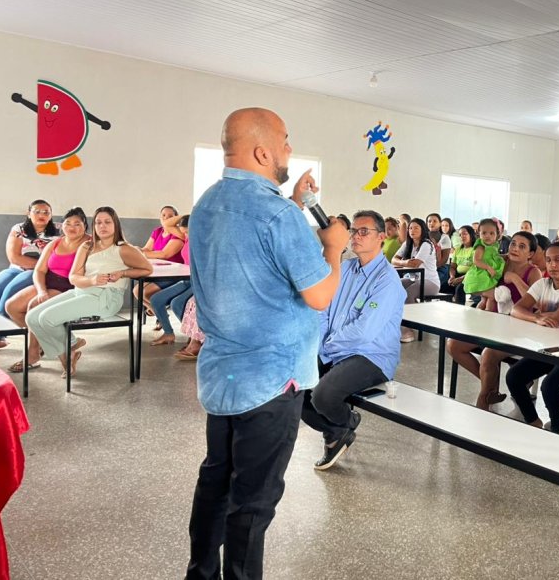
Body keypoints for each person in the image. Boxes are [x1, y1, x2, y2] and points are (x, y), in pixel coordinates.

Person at [185, 107, 347, 580]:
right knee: (254, 500)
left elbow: (255, 248)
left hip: (223, 376)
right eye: (285, 141)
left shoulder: (207, 205)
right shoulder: (278, 215)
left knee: (217, 477)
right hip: (273, 380)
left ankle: (200, 572)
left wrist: (295, 204)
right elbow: (319, 295)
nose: (290, 150)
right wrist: (333, 247)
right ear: (262, 151)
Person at [301, 210, 405, 470]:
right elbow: (323, 308)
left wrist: (327, 346)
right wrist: (321, 346)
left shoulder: (388, 281)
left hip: (371, 356)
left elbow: (364, 332)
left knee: (323, 395)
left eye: (363, 231)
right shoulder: (345, 268)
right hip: (335, 349)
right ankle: (338, 429)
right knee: (293, 384)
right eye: (353, 231)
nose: (355, 236)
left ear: (381, 237)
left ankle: (343, 424)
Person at [25, 207, 152, 377]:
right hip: (82, 291)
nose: (102, 226)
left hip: (106, 298)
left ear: (116, 224)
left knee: (46, 318)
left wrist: (123, 273)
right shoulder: (87, 246)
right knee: (32, 317)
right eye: (98, 222)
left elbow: (146, 269)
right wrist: (92, 280)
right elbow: (73, 277)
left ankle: (70, 347)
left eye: (108, 222)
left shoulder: (123, 248)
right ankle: (70, 351)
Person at [504, 242, 559, 430]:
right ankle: (533, 421)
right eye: (549, 260)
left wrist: (534, 316)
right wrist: (536, 318)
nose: (552, 265)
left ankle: (557, 428)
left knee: (549, 386)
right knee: (514, 376)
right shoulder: (543, 284)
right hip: (549, 348)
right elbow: (515, 309)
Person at [448, 232, 541, 409]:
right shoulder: (500, 261)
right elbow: (477, 288)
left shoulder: (533, 271)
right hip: (493, 321)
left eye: (522, 246)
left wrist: (514, 278)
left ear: (530, 253)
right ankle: (490, 386)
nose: (515, 249)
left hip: (518, 328)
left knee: (488, 354)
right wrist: (490, 294)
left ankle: (483, 401)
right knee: (454, 345)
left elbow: (534, 302)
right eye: (513, 244)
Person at [4, 207, 91, 372]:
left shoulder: (89, 243)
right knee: (12, 306)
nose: (72, 227)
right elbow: (39, 270)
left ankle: (36, 354)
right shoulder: (56, 242)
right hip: (48, 283)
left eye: (77, 224)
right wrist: (42, 290)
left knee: (33, 306)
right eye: (68, 223)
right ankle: (54, 344)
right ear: (62, 225)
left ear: (85, 226)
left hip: (69, 287)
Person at [0, 199, 60, 352]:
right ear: (29, 213)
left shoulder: (59, 231)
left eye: (46, 212)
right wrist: (40, 263)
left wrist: (40, 268)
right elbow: (14, 257)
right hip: (17, 268)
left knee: (8, 294)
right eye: (37, 211)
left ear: (51, 215)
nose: (42, 215)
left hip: (37, 273)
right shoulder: (19, 229)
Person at [149, 214, 194, 346]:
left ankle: (195, 338)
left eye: (186, 232)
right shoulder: (186, 239)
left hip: (197, 282)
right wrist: (188, 214)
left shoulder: (202, 240)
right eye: (183, 233)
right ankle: (168, 333)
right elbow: (167, 224)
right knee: (156, 299)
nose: (184, 236)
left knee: (177, 303)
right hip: (185, 280)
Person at [393, 217, 440, 342]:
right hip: (414, 278)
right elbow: (394, 259)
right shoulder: (408, 243)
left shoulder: (426, 244)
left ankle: (409, 330)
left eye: (416, 228)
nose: (412, 230)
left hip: (430, 282)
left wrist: (404, 262)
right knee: (395, 287)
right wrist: (406, 261)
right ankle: (397, 323)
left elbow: (415, 264)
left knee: (408, 293)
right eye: (410, 228)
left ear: (423, 229)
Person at [461, 218, 505, 312]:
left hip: (486, 277)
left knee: (484, 299)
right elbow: (476, 260)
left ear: (497, 235)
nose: (487, 236)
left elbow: (493, 256)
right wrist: (489, 268)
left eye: (491, 233)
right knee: (492, 297)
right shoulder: (481, 245)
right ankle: (487, 315)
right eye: (484, 233)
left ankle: (477, 315)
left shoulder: (494, 246)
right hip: (479, 276)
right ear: (479, 234)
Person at [447, 225, 476, 304]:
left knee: (460, 288)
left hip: (471, 276)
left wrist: (460, 279)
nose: (462, 236)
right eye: (460, 235)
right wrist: (452, 277)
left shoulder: (476, 249)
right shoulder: (458, 249)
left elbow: (475, 270)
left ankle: (459, 311)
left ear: (471, 235)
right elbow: (452, 266)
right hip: (457, 275)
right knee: (444, 286)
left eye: (464, 234)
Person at [427, 212, 452, 289]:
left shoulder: (444, 237)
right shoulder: (424, 237)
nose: (432, 223)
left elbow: (443, 260)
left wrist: (431, 269)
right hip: (427, 267)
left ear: (440, 224)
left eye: (435, 221)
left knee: (427, 285)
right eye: (429, 221)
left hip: (441, 268)